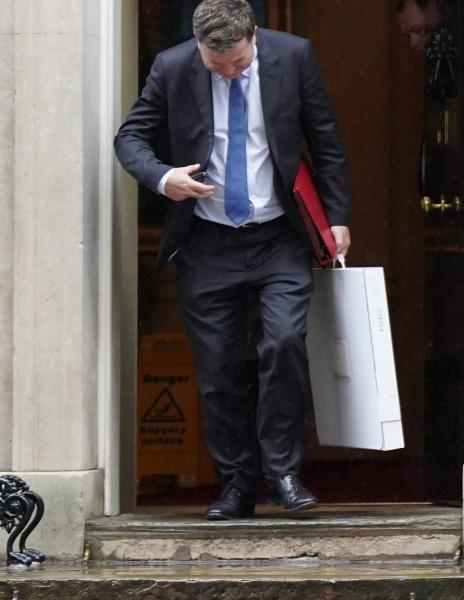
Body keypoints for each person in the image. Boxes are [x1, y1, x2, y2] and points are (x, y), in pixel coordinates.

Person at [115, 0, 352, 520]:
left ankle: (285, 474)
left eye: (238, 63)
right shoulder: (172, 66)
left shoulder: (294, 57)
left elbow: (326, 140)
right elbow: (129, 138)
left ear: (254, 39)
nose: (227, 72)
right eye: (215, 63)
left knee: (284, 342)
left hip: (279, 236)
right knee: (219, 368)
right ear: (198, 45)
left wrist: (336, 217)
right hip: (207, 241)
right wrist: (163, 178)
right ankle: (235, 485)